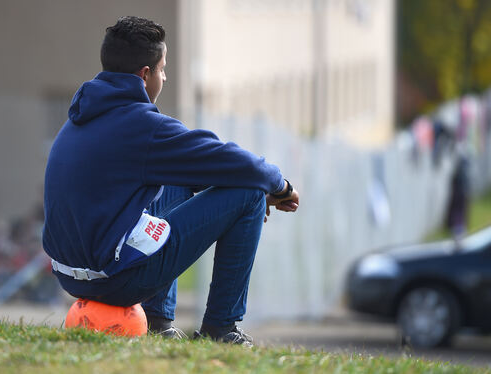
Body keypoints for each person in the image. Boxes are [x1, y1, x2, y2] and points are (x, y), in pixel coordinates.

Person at [42, 16, 299, 346]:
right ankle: (222, 328)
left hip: (69, 274)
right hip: (114, 280)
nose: (165, 77)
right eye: (163, 69)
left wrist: (224, 203)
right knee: (250, 191)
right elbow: (232, 161)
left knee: (175, 180)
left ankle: (158, 322)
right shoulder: (143, 126)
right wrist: (280, 186)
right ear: (145, 75)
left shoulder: (79, 117)